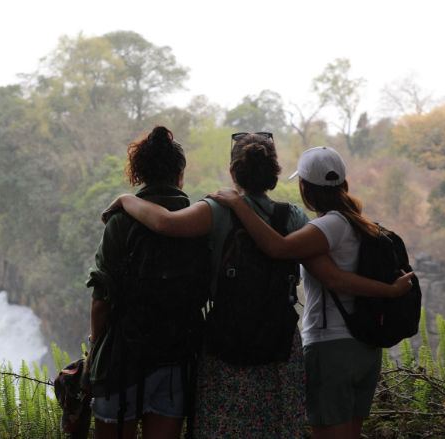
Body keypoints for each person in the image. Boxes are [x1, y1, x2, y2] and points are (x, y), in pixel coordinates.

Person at [102, 134, 412, 438]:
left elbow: (164, 223)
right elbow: (328, 274)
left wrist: (127, 200)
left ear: (233, 173)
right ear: (274, 175)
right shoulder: (293, 217)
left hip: (226, 347)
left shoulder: (215, 210)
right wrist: (388, 290)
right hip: (279, 350)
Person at [206, 146, 414, 439]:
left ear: (304, 188)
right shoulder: (360, 224)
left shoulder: (328, 226)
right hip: (366, 349)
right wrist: (389, 291)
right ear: (344, 184)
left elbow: (278, 248)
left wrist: (239, 205)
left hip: (331, 350)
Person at [86, 125, 206, 439]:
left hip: (122, 359)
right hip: (177, 359)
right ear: (180, 174)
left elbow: (101, 300)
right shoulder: (200, 220)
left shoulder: (120, 222)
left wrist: (95, 350)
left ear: (139, 174)